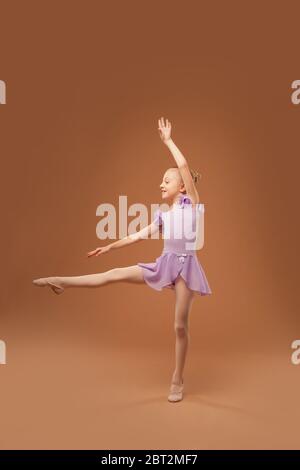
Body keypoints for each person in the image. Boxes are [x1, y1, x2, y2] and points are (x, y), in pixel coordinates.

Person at [33, 117, 212, 403]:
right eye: (162, 181)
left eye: (167, 181)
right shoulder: (163, 217)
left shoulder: (193, 202)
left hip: (186, 269)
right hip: (165, 264)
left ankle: (177, 377)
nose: (161, 184)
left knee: (179, 326)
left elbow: (183, 166)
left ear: (182, 187)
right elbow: (135, 237)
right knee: (113, 273)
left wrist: (168, 141)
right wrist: (108, 247)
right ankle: (60, 281)